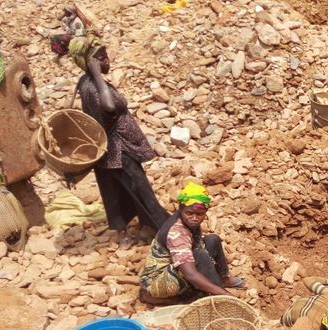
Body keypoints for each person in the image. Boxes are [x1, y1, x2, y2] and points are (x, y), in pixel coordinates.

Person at [58, 31, 169, 248]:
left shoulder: (86, 82)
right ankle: (166, 232)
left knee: (113, 191)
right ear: (89, 64)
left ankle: (123, 235)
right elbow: (109, 107)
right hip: (119, 149)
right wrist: (98, 75)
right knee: (140, 189)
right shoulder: (93, 85)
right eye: (101, 58)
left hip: (107, 149)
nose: (107, 60)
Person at [139, 183, 245, 304]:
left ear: (205, 212)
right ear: (181, 210)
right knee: (199, 256)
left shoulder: (188, 222)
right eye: (189, 213)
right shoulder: (177, 233)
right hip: (157, 281)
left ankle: (223, 279)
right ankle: (218, 298)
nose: (194, 218)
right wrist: (225, 294)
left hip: (175, 267)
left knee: (212, 240)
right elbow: (190, 274)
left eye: (199, 214)